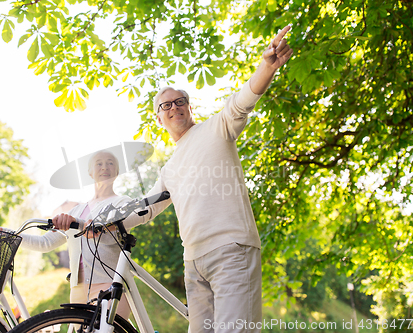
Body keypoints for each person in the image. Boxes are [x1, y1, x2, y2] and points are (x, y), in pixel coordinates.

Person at [123, 26, 294, 332]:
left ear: (189, 107)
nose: (174, 107)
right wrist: (106, 223)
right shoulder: (169, 168)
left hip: (232, 251)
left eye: (180, 101)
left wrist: (267, 67)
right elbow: (145, 207)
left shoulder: (216, 129)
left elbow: (242, 100)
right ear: (158, 118)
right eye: (166, 105)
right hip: (194, 264)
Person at [3, 150, 132, 319]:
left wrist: (77, 222)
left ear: (117, 172)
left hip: (111, 283)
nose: (104, 167)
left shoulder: (122, 203)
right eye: (99, 163)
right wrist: (6, 234)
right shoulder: (77, 209)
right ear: (90, 173)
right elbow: (45, 243)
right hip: (78, 289)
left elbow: (111, 237)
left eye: (110, 163)